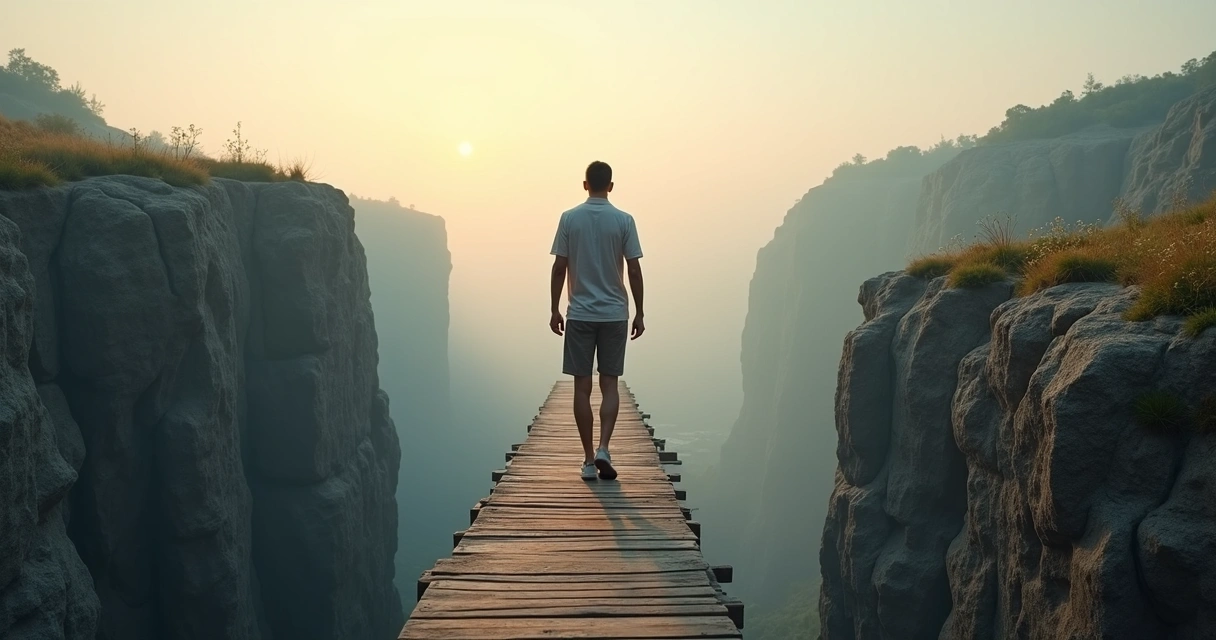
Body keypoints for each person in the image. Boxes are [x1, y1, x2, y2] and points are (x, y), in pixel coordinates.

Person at [549, 160, 645, 481]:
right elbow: (633, 269)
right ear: (611, 185)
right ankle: (604, 446)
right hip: (615, 314)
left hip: (579, 314)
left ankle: (589, 460)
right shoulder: (624, 221)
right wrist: (640, 312)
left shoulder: (569, 219)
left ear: (585, 184)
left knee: (582, 387)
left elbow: (560, 267)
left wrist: (554, 308)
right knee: (609, 384)